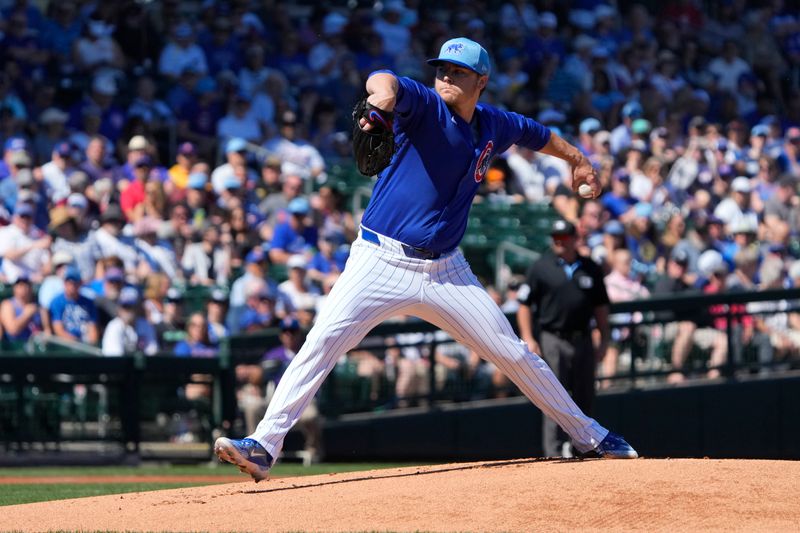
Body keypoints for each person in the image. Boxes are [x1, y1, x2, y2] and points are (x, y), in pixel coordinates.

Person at [214, 37, 637, 482]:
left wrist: (579, 160)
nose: (446, 77)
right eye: (442, 70)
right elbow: (387, 81)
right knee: (321, 342)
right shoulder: (424, 105)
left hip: (446, 271)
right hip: (379, 260)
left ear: (482, 81)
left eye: (457, 72)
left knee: (514, 353)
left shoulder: (495, 124)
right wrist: (379, 98)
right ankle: (263, 445)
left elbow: (541, 135)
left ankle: (592, 436)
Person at [516, 219, 611, 457]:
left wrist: (605, 339)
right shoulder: (541, 266)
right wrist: (528, 336)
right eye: (556, 237)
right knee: (553, 395)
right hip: (553, 337)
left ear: (574, 239)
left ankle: (585, 446)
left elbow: (601, 308)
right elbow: (524, 304)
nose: (559, 241)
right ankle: (555, 452)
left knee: (585, 395)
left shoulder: (589, 267)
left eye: (564, 237)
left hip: (583, 338)